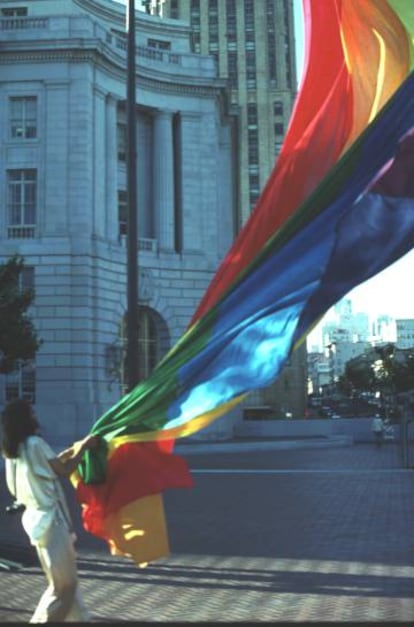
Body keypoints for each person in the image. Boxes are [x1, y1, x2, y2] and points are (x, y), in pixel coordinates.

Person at [1, 398, 99, 622]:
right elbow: (64, 469)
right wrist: (84, 446)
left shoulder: (13, 451)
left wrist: (68, 451)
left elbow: (48, 466)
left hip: (35, 520)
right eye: (31, 412)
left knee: (66, 586)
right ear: (25, 419)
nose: (35, 415)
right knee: (64, 587)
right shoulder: (35, 443)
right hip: (51, 521)